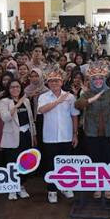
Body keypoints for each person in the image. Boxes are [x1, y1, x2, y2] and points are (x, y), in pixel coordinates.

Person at [75, 62, 110, 200]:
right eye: (94, 79)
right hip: (91, 133)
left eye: (100, 78)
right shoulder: (86, 93)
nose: (98, 81)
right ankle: (97, 185)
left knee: (108, 159)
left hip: (109, 133)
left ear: (104, 79)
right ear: (91, 80)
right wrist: (90, 100)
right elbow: (77, 105)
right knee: (95, 160)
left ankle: (107, 186)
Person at [37, 69, 79, 204]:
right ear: (48, 83)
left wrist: (75, 134)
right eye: (51, 81)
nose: (54, 83)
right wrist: (57, 101)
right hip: (49, 137)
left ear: (62, 82)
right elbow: (41, 110)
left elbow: (74, 116)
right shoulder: (43, 97)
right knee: (50, 164)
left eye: (57, 80)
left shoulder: (70, 97)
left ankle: (65, 187)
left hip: (66, 135)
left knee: (65, 164)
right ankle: (52, 190)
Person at [0, 80, 36, 200]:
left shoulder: (26, 101)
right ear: (8, 89)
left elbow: (31, 119)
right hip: (12, 137)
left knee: (24, 164)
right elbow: (5, 118)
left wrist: (33, 135)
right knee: (12, 163)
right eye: (12, 87)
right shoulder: (4, 101)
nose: (15, 89)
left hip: (26, 135)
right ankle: (12, 188)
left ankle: (21, 186)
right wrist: (16, 105)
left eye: (17, 87)